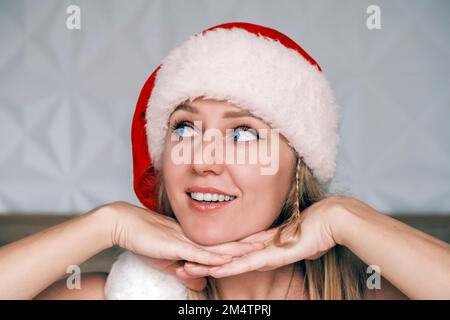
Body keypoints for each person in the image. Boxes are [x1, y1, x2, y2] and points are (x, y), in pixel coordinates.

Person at [0, 22, 449, 300]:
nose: (203, 160)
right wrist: (105, 223)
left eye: (243, 133)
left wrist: (347, 218)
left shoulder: (361, 295)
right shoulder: (117, 295)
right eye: (183, 129)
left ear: (297, 170)